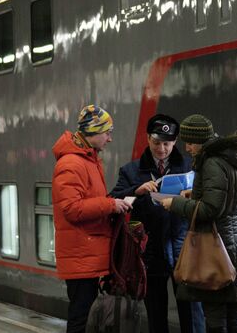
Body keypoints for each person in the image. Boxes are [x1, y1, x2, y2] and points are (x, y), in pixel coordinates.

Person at [111, 113, 205, 333]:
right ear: (147, 139)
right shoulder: (132, 171)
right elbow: (113, 200)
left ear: (174, 142)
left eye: (167, 144)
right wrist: (137, 190)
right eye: (156, 143)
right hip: (150, 249)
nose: (161, 149)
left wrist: (190, 196)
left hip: (184, 245)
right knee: (156, 313)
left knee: (191, 312)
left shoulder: (189, 168)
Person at [161, 114, 237, 333]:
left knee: (215, 317)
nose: (187, 148)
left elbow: (210, 210)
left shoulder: (212, 162)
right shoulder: (230, 159)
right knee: (233, 315)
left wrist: (174, 204)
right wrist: (195, 194)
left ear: (200, 141)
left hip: (216, 251)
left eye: (190, 142)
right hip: (235, 245)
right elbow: (226, 198)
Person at [52, 104, 132, 333]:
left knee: (88, 318)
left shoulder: (88, 160)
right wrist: (110, 204)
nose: (109, 139)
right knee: (81, 319)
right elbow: (72, 209)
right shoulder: (71, 163)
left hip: (87, 253)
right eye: (107, 133)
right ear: (94, 132)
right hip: (80, 255)